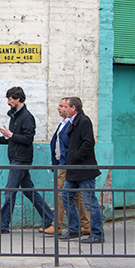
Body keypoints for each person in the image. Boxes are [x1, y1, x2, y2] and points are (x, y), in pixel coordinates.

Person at [0, 86, 54, 234]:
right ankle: (51, 219)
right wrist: (0, 139)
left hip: (21, 160)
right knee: (30, 191)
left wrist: (10, 135)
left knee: (10, 192)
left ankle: (1, 225)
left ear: (18, 99)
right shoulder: (15, 116)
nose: (8, 102)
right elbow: (15, 139)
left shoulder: (26, 117)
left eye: (10, 99)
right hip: (17, 158)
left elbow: (28, 139)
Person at [41, 97, 91, 236]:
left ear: (71, 108)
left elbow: (78, 144)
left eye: (62, 106)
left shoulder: (73, 123)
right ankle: (85, 225)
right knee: (75, 195)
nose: (59, 108)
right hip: (62, 163)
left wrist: (70, 160)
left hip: (66, 164)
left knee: (62, 194)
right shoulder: (64, 123)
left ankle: (56, 226)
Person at [59, 97, 105, 243]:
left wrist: (75, 158)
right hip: (74, 169)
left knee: (90, 201)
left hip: (84, 169)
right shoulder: (73, 122)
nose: (63, 109)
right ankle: (74, 229)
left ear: (73, 108)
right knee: (66, 196)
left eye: (66, 107)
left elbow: (88, 143)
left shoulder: (83, 121)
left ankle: (97, 234)